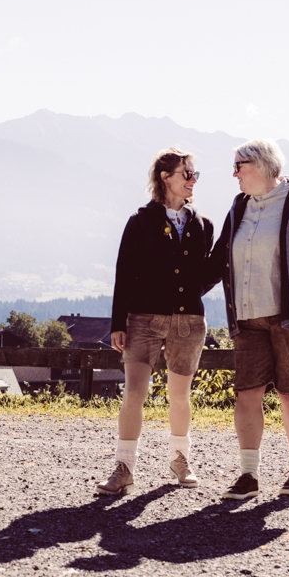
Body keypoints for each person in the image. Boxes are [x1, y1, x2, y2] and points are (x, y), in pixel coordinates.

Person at [214, 139, 289, 499]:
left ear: (262, 166)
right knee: (247, 394)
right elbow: (219, 258)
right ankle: (248, 475)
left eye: (239, 166)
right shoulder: (239, 207)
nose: (234, 174)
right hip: (247, 316)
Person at [97, 148, 217, 495]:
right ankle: (124, 467)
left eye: (194, 174)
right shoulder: (140, 221)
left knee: (180, 397)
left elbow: (206, 274)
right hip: (143, 320)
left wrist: (191, 292)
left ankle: (181, 459)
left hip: (189, 322)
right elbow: (124, 273)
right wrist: (119, 321)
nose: (193, 180)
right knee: (135, 392)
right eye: (187, 174)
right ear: (166, 177)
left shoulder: (202, 225)